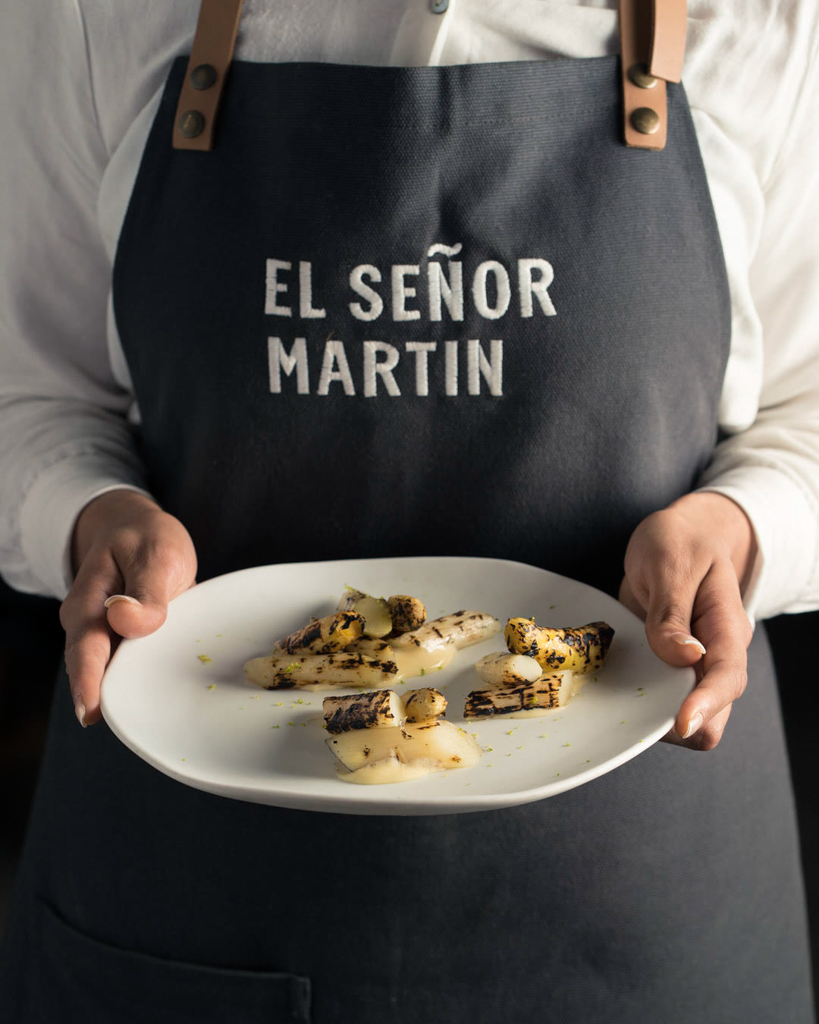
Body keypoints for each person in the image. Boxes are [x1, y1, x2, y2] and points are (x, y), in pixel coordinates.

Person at [0, 0, 817, 1020]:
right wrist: (89, 512)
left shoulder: (767, 19)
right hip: (190, 888)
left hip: (646, 894)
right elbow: (30, 396)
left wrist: (740, 528)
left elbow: (806, 406)